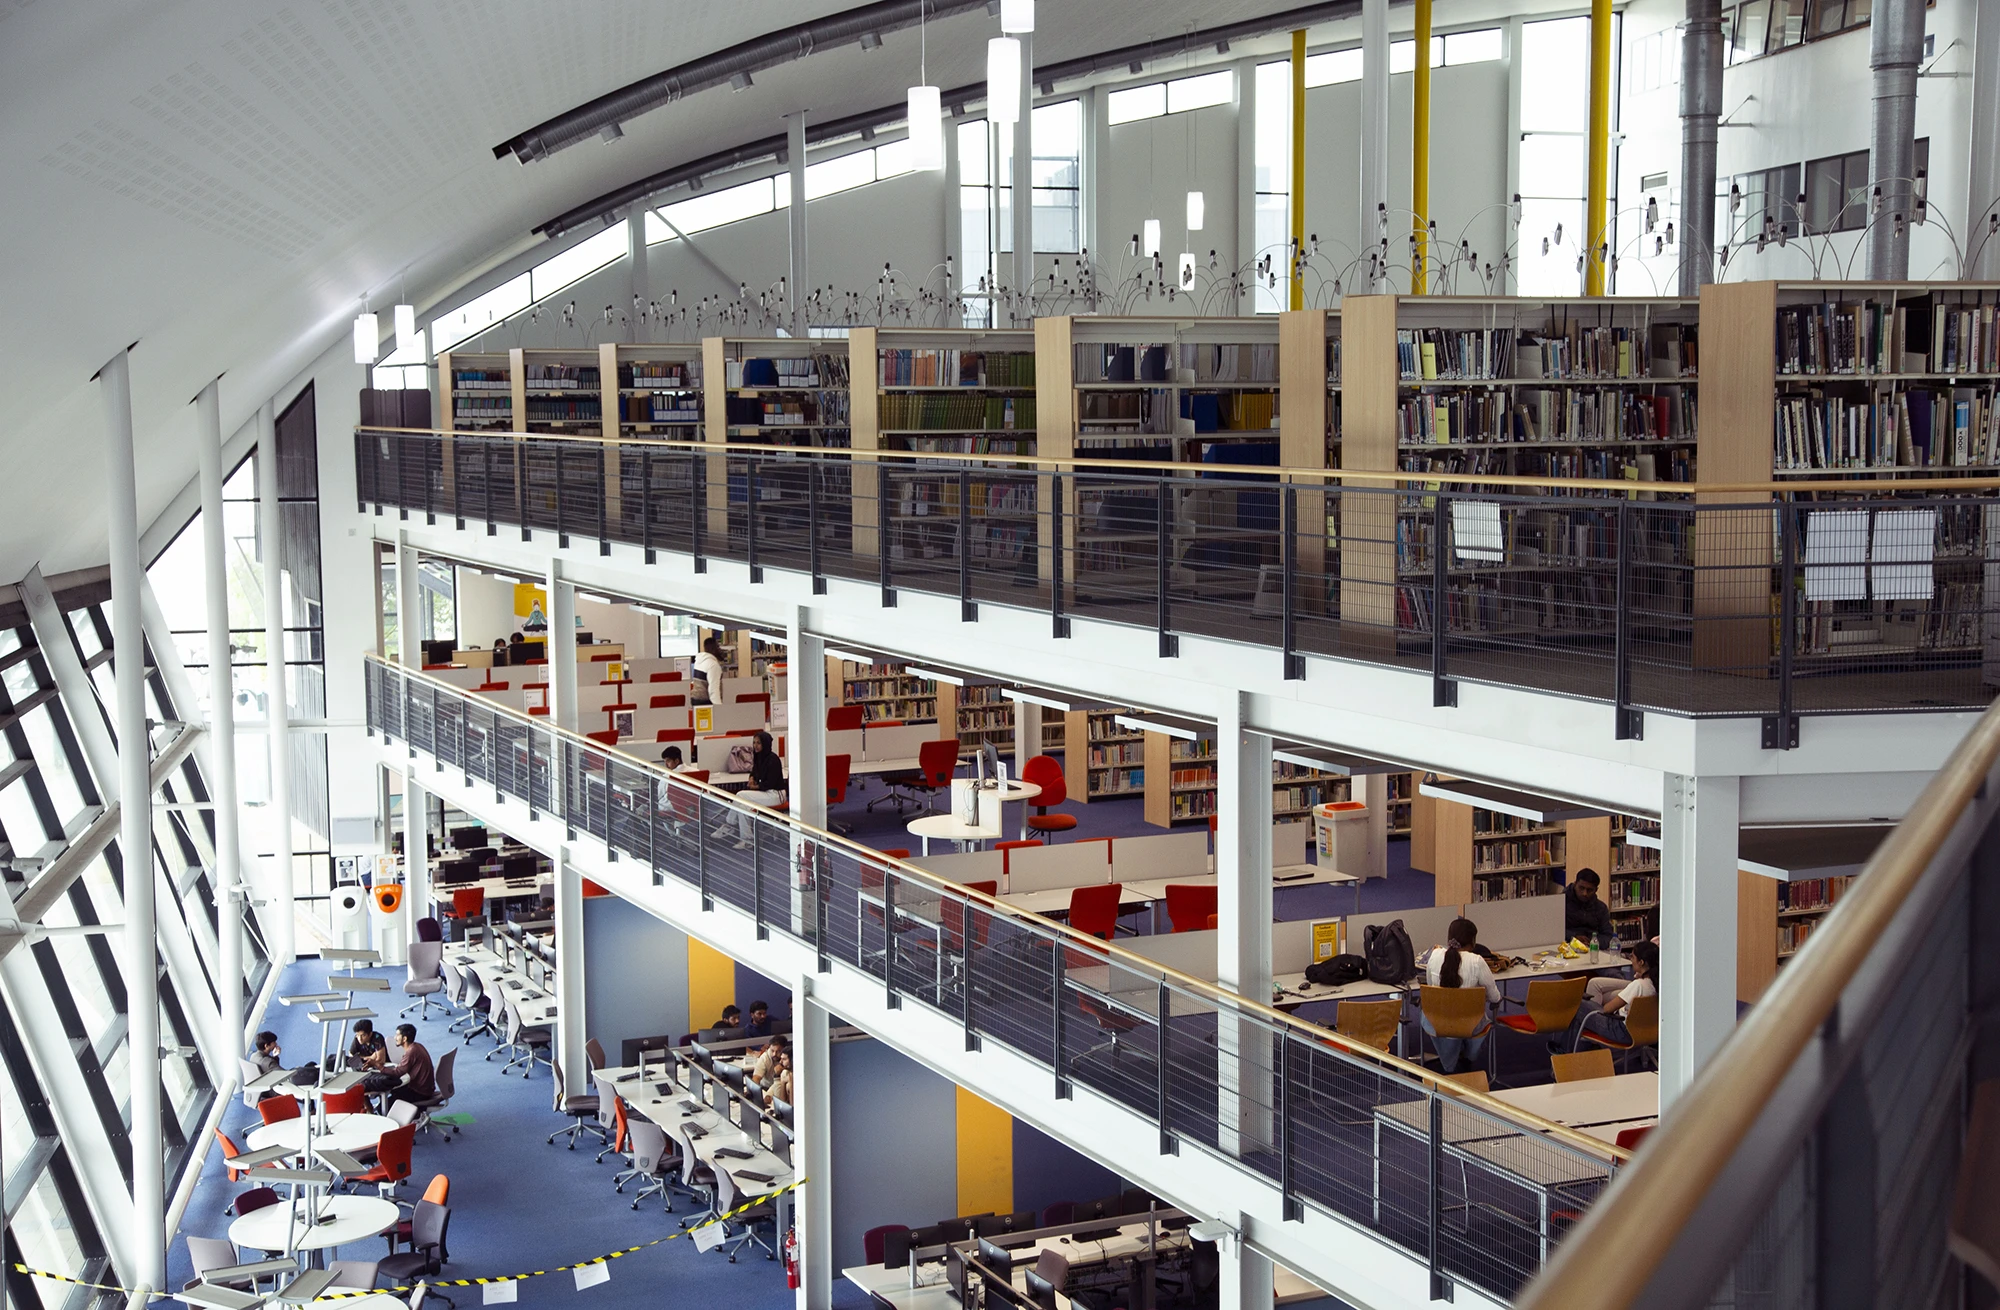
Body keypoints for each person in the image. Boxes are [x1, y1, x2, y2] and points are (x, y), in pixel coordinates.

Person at [1418, 918, 1501, 1074]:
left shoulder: (1434, 956)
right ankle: (1467, 1055)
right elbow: (1494, 997)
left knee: (1435, 1014)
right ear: (1472, 941)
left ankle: (1450, 1060)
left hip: (1438, 1022)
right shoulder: (1477, 961)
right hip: (1469, 1024)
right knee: (1478, 1019)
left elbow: (1431, 989)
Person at [1559, 941, 1658, 1055]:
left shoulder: (1638, 985)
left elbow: (1607, 1009)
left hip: (1622, 1032)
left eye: (1633, 957)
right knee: (1585, 1012)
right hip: (1648, 1031)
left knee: (1579, 1005)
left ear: (1641, 962)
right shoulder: (1657, 984)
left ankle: (1564, 1051)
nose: (1631, 960)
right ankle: (1574, 1050)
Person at [722, 732, 785, 848]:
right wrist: (751, 778)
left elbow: (769, 783)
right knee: (742, 807)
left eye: (759, 743)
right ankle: (747, 840)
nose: (755, 746)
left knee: (740, 795)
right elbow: (755, 772)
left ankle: (729, 824)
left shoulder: (773, 760)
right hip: (765, 793)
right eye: (754, 743)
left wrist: (755, 787)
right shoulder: (759, 757)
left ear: (765, 744)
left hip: (776, 795)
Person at [363, 1023, 436, 1108]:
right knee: (392, 1090)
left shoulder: (411, 1052)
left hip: (420, 1092)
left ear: (404, 1038)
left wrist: (376, 1064)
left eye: (397, 1035)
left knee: (382, 1107)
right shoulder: (417, 1046)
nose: (395, 1038)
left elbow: (397, 1073)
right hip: (425, 1088)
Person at [1563, 869, 1616, 945]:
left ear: (1596, 890)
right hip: (1566, 945)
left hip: (1592, 946)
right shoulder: (1561, 902)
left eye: (1589, 890)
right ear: (1575, 884)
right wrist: (1573, 937)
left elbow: (1608, 936)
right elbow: (1553, 931)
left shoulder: (1601, 908)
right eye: (1581, 888)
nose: (1585, 893)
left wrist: (1592, 942)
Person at [691, 637, 726, 705]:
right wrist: (719, 708)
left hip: (695, 701)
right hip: (705, 703)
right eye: (718, 647)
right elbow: (713, 690)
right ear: (713, 649)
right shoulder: (713, 665)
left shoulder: (699, 661)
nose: (720, 649)